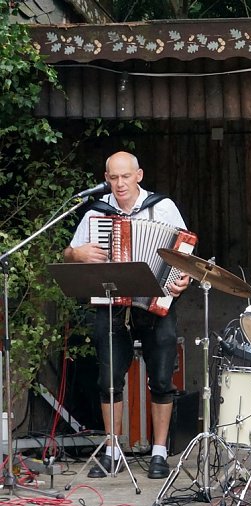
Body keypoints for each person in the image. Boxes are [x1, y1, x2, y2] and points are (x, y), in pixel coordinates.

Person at [63, 151, 190, 480]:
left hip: (155, 305)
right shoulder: (97, 211)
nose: (119, 184)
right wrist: (77, 253)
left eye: (125, 176)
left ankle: (159, 452)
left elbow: (183, 254)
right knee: (108, 381)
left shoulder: (162, 207)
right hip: (111, 304)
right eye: (113, 177)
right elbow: (69, 253)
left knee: (162, 379)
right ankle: (111, 449)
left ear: (139, 175)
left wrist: (181, 280)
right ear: (106, 178)